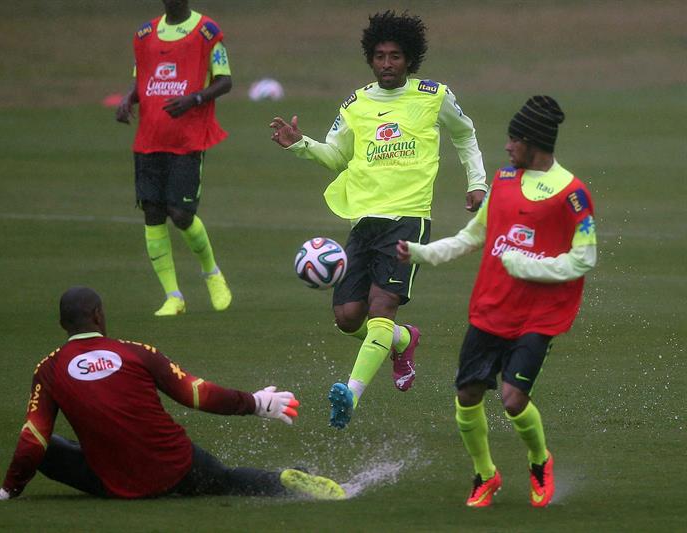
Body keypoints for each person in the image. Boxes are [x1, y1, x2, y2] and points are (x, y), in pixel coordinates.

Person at [270, 11, 487, 429]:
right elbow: (336, 156)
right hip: (364, 221)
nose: (387, 64)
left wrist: (477, 182)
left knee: (382, 306)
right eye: (380, 56)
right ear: (371, 59)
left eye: (396, 56)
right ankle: (404, 340)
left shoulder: (433, 95)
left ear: (410, 59)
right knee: (348, 317)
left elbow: (464, 133)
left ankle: (349, 394)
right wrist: (301, 144)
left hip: (408, 219)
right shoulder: (356, 103)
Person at [0, 287, 345, 501]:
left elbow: (33, 438)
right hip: (176, 465)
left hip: (116, 485)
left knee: (51, 446)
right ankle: (286, 483)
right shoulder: (136, 352)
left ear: (62, 324)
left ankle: (77, 466)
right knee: (225, 479)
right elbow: (195, 393)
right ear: (99, 316)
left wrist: (8, 490)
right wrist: (257, 403)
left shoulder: (49, 368)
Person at [397, 96, 597, 508]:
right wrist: (421, 253)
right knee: (467, 395)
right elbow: (473, 236)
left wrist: (527, 266)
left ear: (534, 142)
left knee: (512, 399)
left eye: (514, 139)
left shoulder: (573, 194)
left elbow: (585, 257)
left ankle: (539, 462)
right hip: (492, 308)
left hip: (539, 315)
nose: (507, 146)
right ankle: (485, 474)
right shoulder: (504, 180)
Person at [116, 0, 232, 317]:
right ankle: (173, 296)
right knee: (152, 212)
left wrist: (194, 98)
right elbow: (143, 76)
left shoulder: (206, 32)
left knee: (180, 213)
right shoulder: (145, 33)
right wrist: (128, 98)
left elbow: (225, 80)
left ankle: (212, 274)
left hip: (188, 138)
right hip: (150, 138)